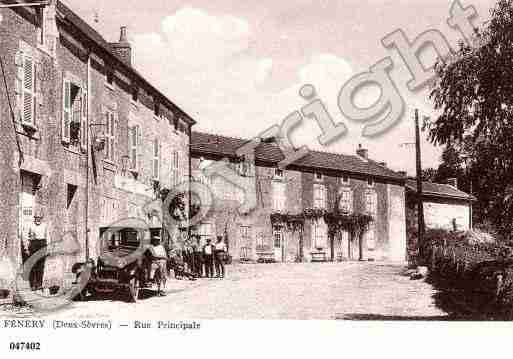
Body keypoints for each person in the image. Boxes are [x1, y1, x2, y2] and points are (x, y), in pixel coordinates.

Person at [24, 213, 50, 291]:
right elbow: (26, 236)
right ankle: (32, 285)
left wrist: (48, 248)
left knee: (41, 266)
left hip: (42, 244)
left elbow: (48, 236)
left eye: (39, 218)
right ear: (34, 218)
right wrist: (26, 248)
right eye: (36, 218)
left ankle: (39, 284)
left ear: (41, 218)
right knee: (33, 265)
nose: (38, 219)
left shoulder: (45, 225)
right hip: (33, 244)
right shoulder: (30, 225)